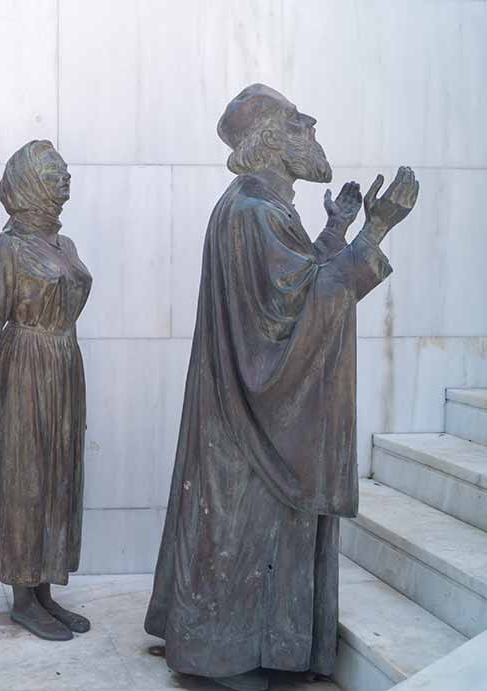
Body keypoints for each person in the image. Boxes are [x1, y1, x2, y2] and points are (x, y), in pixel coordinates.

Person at [144, 84, 419, 691]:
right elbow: (299, 310)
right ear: (272, 140)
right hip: (250, 425)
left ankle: (221, 643)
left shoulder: (255, 206)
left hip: (232, 412)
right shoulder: (256, 212)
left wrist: (336, 232)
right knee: (248, 533)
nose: (312, 131)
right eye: (301, 124)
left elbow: (291, 290)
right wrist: (374, 232)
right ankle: (230, 656)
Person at [0, 140, 93, 641]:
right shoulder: (7, 248)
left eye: (65, 171)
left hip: (63, 367)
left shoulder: (65, 246)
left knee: (58, 476)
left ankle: (45, 587)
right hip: (24, 370)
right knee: (25, 478)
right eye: (55, 173)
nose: (65, 180)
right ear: (30, 182)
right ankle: (22, 596)